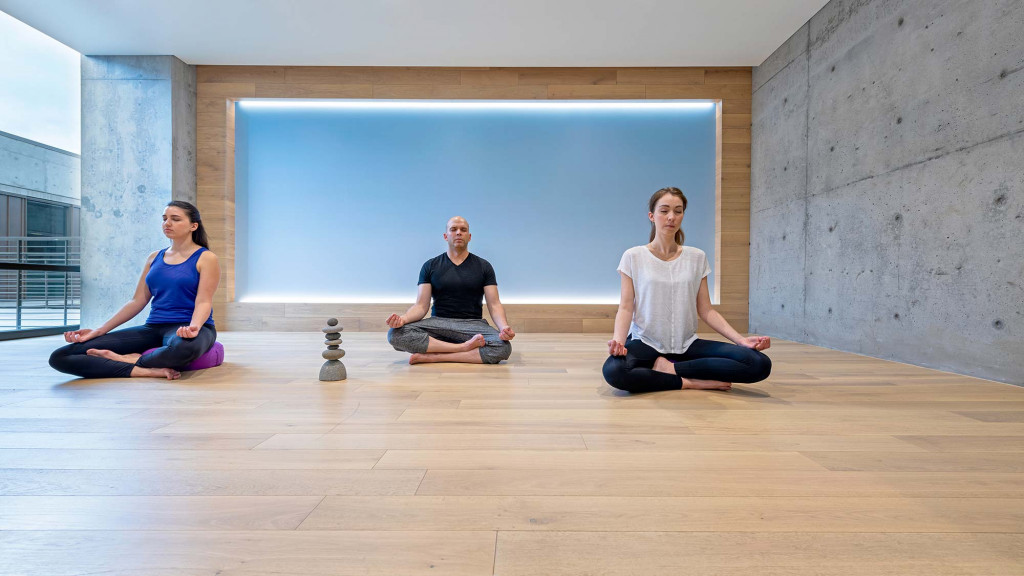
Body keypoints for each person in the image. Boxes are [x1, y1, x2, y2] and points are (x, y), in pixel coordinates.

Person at [603, 187, 771, 393]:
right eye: (664, 211)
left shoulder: (697, 257)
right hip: (646, 342)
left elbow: (706, 310)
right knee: (614, 371)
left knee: (759, 363)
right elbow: (626, 307)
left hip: (687, 344)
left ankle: (671, 368)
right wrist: (619, 343)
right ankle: (689, 382)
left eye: (678, 211)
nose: (671, 217)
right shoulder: (633, 256)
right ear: (652, 216)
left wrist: (741, 340)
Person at [49, 201, 220, 380]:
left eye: (175, 219)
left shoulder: (206, 258)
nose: (167, 223)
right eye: (164, 219)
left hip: (191, 327)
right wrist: (98, 331)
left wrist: (194, 327)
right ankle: (139, 369)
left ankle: (132, 360)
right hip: (153, 328)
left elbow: (204, 301)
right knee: (60, 356)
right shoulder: (154, 258)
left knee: (184, 348)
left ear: (193, 226)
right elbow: (137, 301)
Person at [386, 216, 514, 364]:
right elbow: (421, 306)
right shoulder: (430, 266)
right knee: (395, 334)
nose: (458, 232)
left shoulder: (484, 266)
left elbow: (494, 304)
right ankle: (464, 348)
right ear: (446, 236)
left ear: (469, 236)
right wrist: (403, 319)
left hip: (472, 324)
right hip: (439, 323)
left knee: (503, 347)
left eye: (463, 230)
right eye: (453, 229)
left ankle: (436, 356)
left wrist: (504, 328)